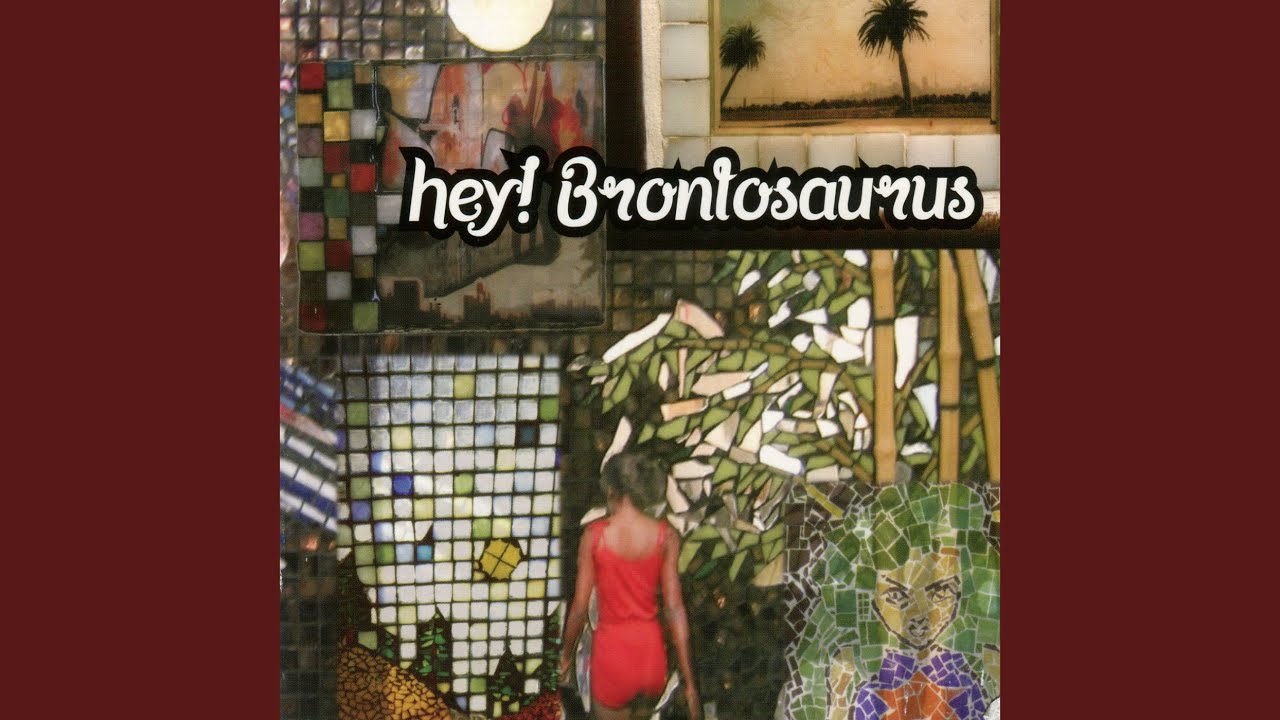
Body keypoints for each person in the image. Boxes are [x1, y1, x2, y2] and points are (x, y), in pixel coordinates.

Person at [560, 451, 702, 720]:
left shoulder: (595, 536)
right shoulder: (666, 536)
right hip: (650, 656)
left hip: (613, 654)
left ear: (611, 490)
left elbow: (579, 608)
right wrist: (690, 685)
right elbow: (675, 609)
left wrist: (566, 657)